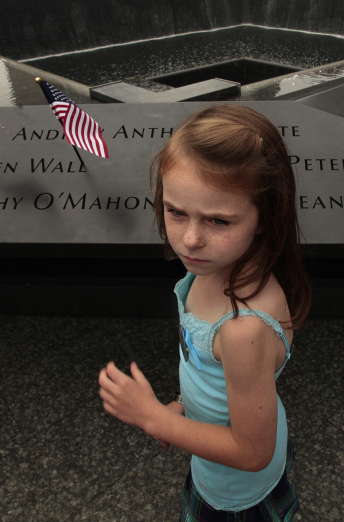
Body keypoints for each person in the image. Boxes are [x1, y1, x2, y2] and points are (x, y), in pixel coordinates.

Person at [99, 105, 311, 521]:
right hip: (231, 444)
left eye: (217, 220)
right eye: (176, 212)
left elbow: (251, 452)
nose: (191, 240)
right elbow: (210, 373)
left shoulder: (242, 329)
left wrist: (156, 420)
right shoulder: (214, 268)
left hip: (235, 493)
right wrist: (181, 405)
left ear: (264, 218)